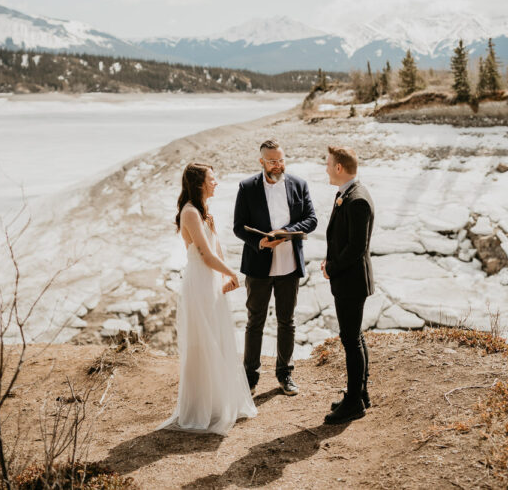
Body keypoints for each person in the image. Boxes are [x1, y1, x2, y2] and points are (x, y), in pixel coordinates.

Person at [157, 162, 257, 436]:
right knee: (203, 342)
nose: (216, 183)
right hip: (199, 284)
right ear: (199, 183)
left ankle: (219, 403)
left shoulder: (204, 212)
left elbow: (217, 248)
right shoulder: (189, 213)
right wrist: (232, 274)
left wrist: (224, 276)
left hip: (211, 281)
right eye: (212, 179)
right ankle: (201, 407)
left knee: (219, 338)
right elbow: (204, 255)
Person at [233, 139, 317, 396]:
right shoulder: (247, 187)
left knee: (287, 321)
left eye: (281, 160)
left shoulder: (299, 184)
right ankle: (250, 377)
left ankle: (285, 374)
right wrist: (260, 241)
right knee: (254, 321)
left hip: (289, 264)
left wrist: (287, 232)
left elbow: (311, 220)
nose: (278, 165)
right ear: (261, 162)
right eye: (272, 161)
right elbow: (238, 226)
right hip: (258, 265)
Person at [321, 145, 374, 424]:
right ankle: (360, 393)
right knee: (354, 336)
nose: (326, 168)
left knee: (350, 340)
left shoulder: (357, 200)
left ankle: (354, 402)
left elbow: (356, 248)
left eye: (328, 164)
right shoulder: (347, 194)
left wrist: (331, 267)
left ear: (339, 168)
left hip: (351, 281)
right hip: (347, 278)